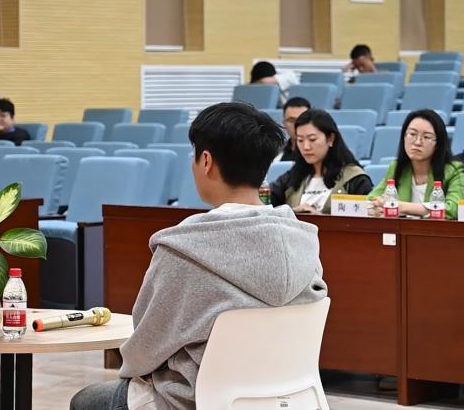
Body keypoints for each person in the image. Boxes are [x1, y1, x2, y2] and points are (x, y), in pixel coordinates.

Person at [69, 103, 327, 410]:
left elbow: (146, 343)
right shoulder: (303, 240)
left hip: (194, 398)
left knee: (86, 401)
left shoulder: (183, 248)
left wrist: (130, 371)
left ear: (206, 161)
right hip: (287, 394)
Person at [367, 109, 464, 219]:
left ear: (438, 144)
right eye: (412, 134)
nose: (417, 142)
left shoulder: (455, 171)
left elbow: (454, 209)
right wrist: (377, 206)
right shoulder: (397, 167)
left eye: (426, 137)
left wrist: (402, 207)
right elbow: (371, 200)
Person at [270, 109, 373, 213]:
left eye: (312, 139)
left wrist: (319, 217)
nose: (306, 147)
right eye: (300, 140)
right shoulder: (292, 177)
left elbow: (364, 217)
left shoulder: (354, 179)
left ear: (331, 139)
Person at [279, 96, 311, 162]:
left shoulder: (321, 153)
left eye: (302, 119)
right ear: (284, 123)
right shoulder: (276, 152)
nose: (296, 124)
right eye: (291, 120)